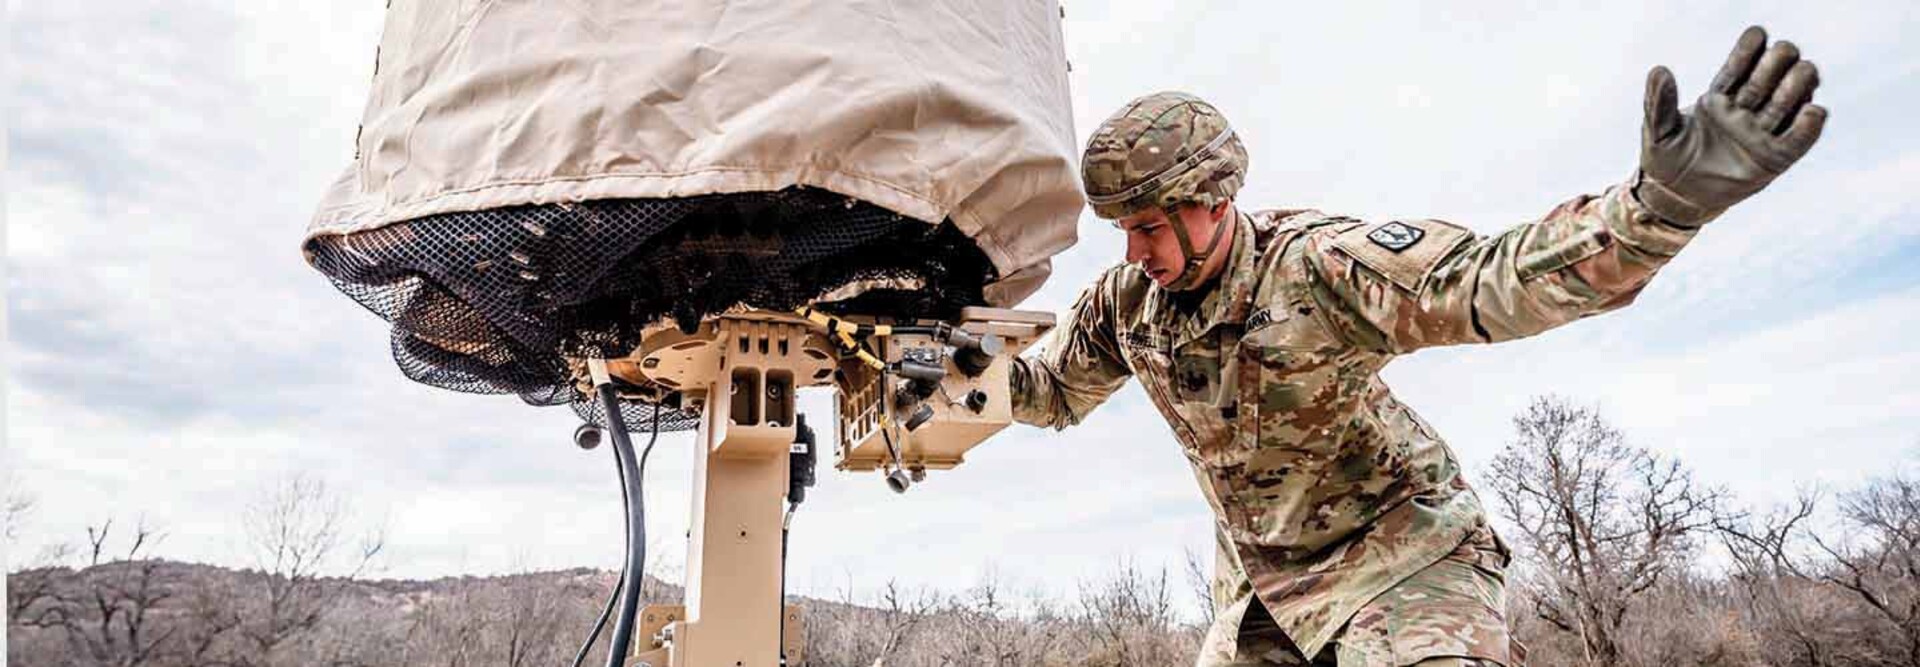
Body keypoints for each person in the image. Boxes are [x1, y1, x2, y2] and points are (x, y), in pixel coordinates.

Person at [1009, 26, 1825, 667]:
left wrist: (1657, 209)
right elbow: (1046, 392)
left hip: (1405, 560)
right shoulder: (1130, 307)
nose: (1134, 252)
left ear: (1215, 202)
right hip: (1268, 594)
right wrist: (939, 366)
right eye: (1124, 230)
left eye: (1149, 226)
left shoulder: (1319, 267)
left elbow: (1489, 281)